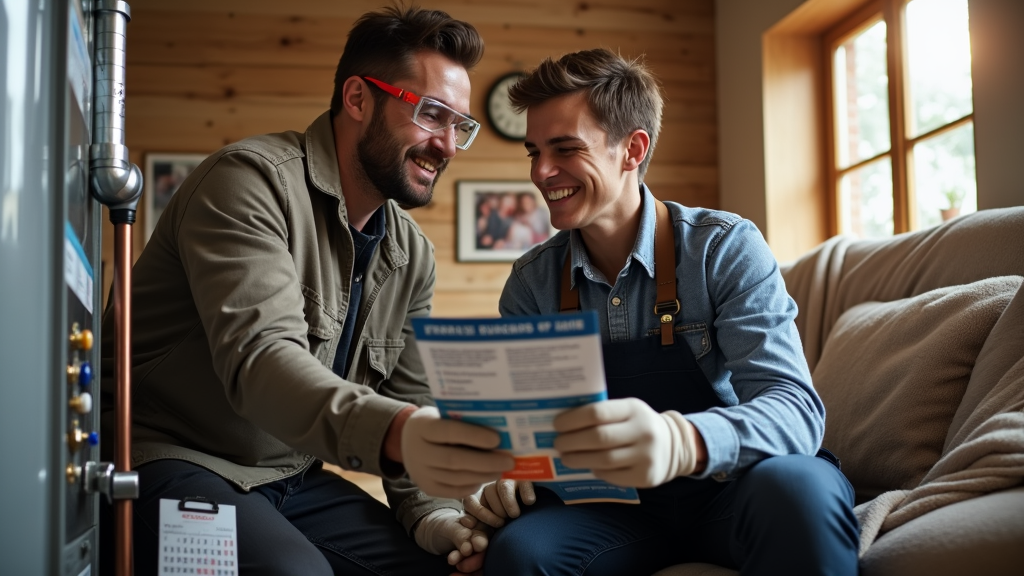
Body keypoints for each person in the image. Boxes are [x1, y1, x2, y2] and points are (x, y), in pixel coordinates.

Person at [99, 6, 513, 576]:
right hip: (166, 459)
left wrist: (435, 518)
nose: (446, 145)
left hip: (287, 476)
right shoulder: (248, 182)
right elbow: (263, 362)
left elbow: (412, 400)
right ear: (358, 98)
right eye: (430, 113)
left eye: (459, 126)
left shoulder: (413, 256)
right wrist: (398, 431)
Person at [461, 48, 861, 576]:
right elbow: (536, 440)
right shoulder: (531, 285)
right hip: (612, 513)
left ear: (633, 149)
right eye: (533, 151)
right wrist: (515, 476)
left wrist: (680, 442)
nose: (540, 171)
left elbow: (794, 409)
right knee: (520, 554)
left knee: (798, 487)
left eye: (564, 148)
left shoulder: (724, 249)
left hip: (732, 490)